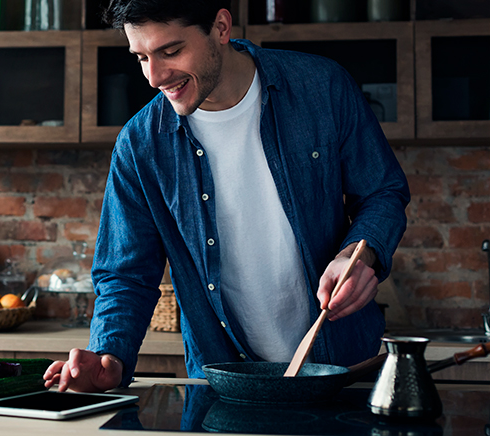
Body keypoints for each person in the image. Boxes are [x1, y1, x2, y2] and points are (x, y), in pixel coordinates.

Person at [43, 0, 410, 393]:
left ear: (220, 27)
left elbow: (382, 191)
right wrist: (108, 357)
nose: (154, 77)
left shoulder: (322, 87)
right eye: (141, 58)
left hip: (343, 371)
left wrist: (358, 253)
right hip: (223, 382)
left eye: (171, 52)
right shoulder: (140, 144)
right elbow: (125, 273)